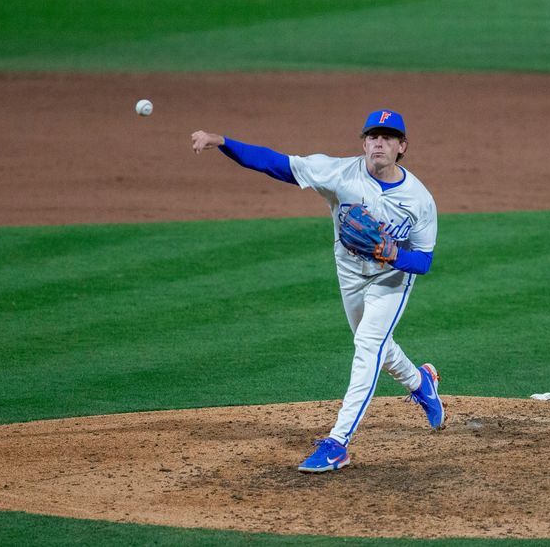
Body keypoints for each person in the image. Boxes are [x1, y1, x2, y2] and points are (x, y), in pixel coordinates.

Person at [190, 109, 445, 473]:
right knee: (375, 346)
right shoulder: (338, 172)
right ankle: (421, 382)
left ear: (401, 147)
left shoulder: (419, 199)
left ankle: (338, 443)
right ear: (363, 143)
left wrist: (394, 255)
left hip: (391, 279)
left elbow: (424, 261)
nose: (378, 143)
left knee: (368, 345)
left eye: (388, 138)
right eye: (373, 136)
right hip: (350, 275)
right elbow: (275, 164)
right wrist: (222, 142)